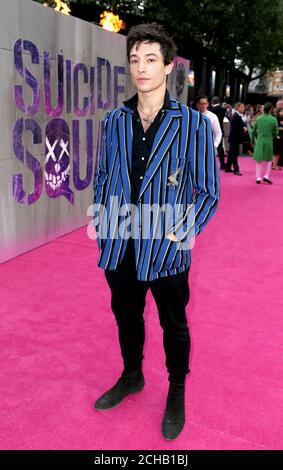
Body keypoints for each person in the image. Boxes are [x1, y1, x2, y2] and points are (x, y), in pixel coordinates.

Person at [93, 23, 220, 441]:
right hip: (120, 243)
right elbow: (103, 176)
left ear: (168, 67)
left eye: (150, 59)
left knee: (173, 323)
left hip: (166, 248)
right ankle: (132, 375)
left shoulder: (195, 125)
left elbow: (207, 192)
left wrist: (181, 233)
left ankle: (177, 389)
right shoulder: (114, 119)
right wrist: (103, 223)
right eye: (134, 59)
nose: (140, 68)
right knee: (126, 316)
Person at [251, 102, 278, 184]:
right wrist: (272, 136)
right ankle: (266, 176)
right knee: (269, 160)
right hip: (269, 140)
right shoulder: (273, 119)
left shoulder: (258, 118)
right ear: (271, 109)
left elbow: (253, 131)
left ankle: (258, 177)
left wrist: (253, 140)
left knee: (259, 160)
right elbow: (276, 133)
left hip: (260, 140)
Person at [225, 102, 248, 175]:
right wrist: (243, 129)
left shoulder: (238, 115)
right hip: (234, 138)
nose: (243, 108)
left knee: (232, 154)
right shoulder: (236, 116)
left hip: (234, 138)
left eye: (243, 107)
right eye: (241, 107)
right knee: (234, 154)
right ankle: (236, 169)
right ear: (237, 107)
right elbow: (235, 127)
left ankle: (228, 168)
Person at [209, 96, 226, 169]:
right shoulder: (223, 109)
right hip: (220, 130)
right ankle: (222, 164)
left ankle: (210, 164)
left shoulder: (210, 110)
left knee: (209, 147)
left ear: (212, 102)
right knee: (220, 148)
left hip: (211, 130)